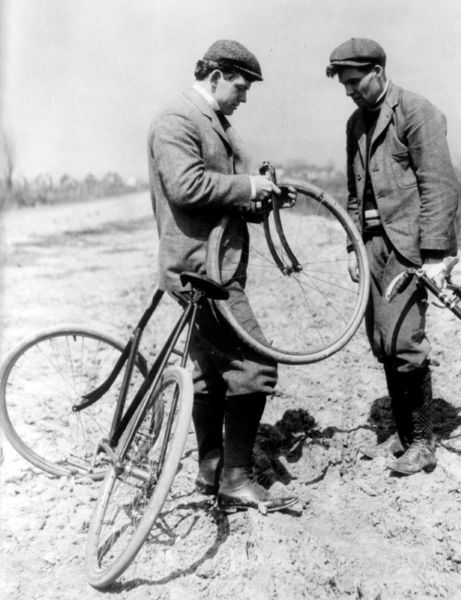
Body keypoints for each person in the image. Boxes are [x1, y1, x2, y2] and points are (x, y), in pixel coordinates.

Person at [147, 39, 297, 512]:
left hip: (213, 266)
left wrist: (262, 198)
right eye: (241, 85)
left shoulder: (215, 124)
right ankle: (234, 478)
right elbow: (188, 187)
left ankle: (210, 470)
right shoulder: (177, 120)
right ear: (215, 76)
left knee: (210, 374)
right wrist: (247, 184)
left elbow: (224, 200)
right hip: (202, 273)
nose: (245, 96)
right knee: (256, 367)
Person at [326, 38, 459, 475]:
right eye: (344, 85)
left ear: (379, 72)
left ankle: (422, 441)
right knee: (383, 344)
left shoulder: (417, 112)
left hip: (410, 247)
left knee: (403, 341)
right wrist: (352, 246)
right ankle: (405, 439)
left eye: (354, 81)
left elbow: (439, 186)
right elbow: (352, 193)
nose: (349, 91)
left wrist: (436, 256)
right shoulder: (354, 125)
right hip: (372, 248)